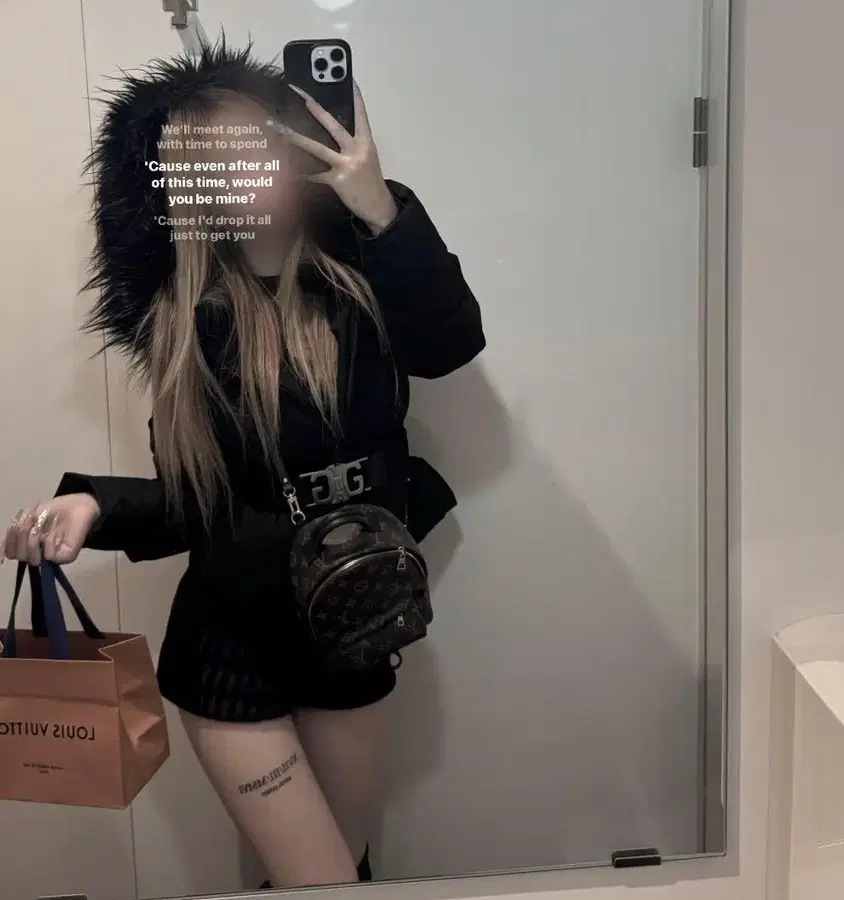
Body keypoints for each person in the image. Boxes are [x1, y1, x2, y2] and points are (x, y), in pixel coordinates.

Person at [2, 42, 484, 889]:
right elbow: (200, 503)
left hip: (356, 617)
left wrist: (380, 208)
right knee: (322, 882)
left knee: (343, 872)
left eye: (256, 145)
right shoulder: (185, 322)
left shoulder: (360, 278)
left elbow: (451, 344)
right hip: (232, 646)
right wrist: (96, 508)